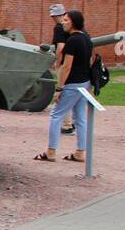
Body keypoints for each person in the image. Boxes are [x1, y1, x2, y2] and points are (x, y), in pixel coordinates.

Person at [35, 10, 92, 163]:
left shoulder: (73, 40)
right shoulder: (86, 37)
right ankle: (80, 152)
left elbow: (67, 66)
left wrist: (59, 88)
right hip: (85, 83)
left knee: (56, 115)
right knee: (80, 118)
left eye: (66, 20)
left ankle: (51, 151)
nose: (63, 22)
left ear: (73, 22)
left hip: (73, 84)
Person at [47, 3, 75, 134]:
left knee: (62, 93)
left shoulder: (59, 28)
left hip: (65, 63)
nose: (53, 19)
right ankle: (72, 123)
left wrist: (57, 61)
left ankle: (66, 124)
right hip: (74, 62)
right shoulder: (72, 26)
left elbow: (61, 47)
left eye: (54, 16)